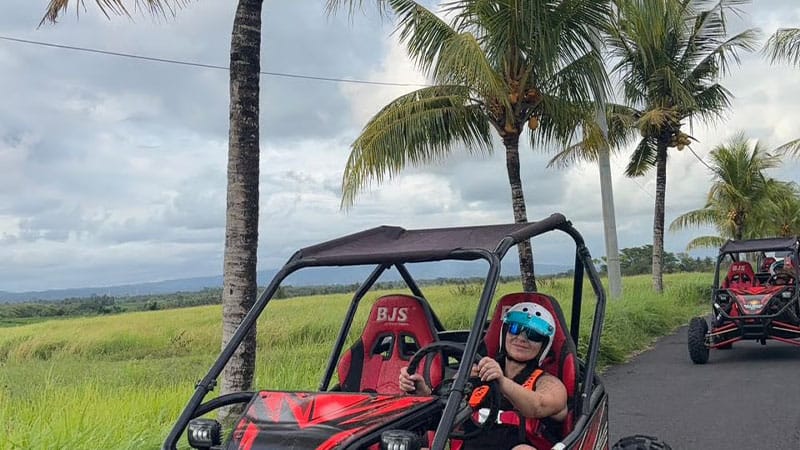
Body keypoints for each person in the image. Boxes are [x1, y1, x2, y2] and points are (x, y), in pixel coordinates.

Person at [399, 302, 568, 450]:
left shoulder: (550, 384)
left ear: (544, 344)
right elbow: (446, 412)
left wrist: (501, 381)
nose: (521, 338)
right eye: (515, 329)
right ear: (504, 334)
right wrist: (422, 392)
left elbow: (537, 406)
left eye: (533, 335)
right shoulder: (476, 374)